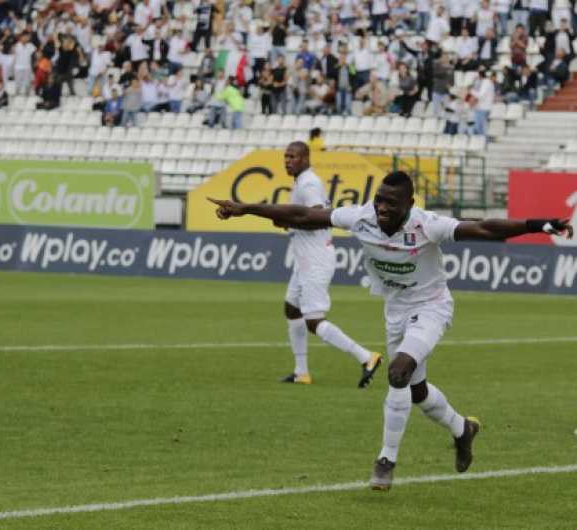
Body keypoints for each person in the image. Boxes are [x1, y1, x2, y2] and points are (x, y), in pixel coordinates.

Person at [208, 171, 573, 490]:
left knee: (398, 372)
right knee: (417, 392)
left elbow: (484, 228)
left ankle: (385, 461)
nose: (382, 208)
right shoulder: (362, 217)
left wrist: (537, 224)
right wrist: (246, 208)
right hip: (395, 310)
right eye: (379, 200)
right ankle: (463, 429)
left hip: (431, 307)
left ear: (410, 204)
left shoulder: (426, 225)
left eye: (391, 203)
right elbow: (305, 215)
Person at [214, 142, 384, 387]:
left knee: (313, 320)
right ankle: (301, 372)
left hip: (315, 259)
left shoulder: (309, 183)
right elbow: (301, 218)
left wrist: (286, 220)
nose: (287, 161)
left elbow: (316, 218)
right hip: (304, 259)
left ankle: (366, 357)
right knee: (292, 309)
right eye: (285, 157)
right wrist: (286, 222)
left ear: (306, 158)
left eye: (292, 156)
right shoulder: (300, 182)